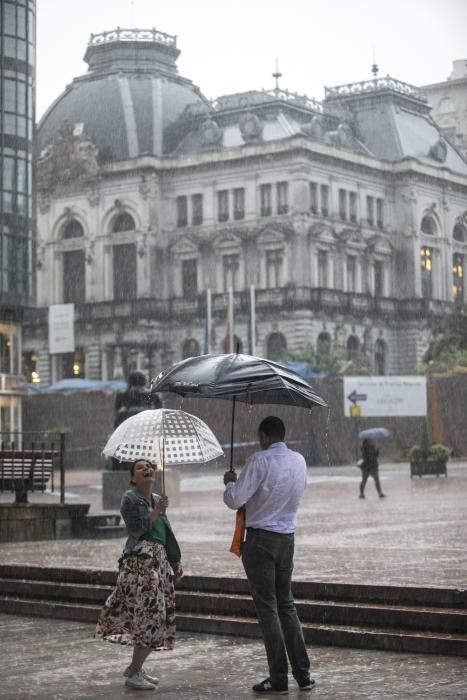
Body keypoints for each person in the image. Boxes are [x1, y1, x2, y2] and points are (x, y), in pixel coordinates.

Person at [223, 416, 314, 695]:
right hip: (287, 539)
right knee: (286, 604)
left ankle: (278, 678)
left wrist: (229, 483)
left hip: (261, 541)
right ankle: (303, 675)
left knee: (268, 609)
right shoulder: (299, 460)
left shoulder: (259, 461)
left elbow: (235, 500)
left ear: (263, 436)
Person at [96, 458, 183, 690]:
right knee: (151, 616)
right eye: (141, 468)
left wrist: (176, 563)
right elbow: (136, 528)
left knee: (157, 618)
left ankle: (136, 668)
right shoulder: (130, 498)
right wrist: (155, 512)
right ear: (133, 477)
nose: (148, 469)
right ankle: (134, 671)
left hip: (160, 562)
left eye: (150, 467)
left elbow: (167, 534)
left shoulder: (156, 499)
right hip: (141, 563)